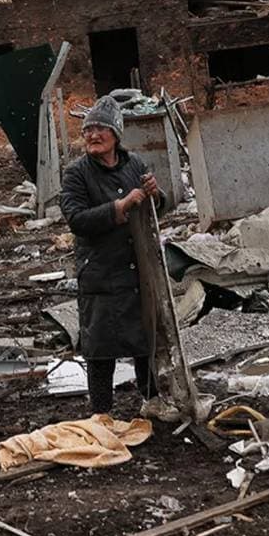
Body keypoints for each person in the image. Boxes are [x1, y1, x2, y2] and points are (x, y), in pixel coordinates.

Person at [59, 94, 173, 416]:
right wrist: (118, 208)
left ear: (116, 134)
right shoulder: (77, 174)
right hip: (100, 271)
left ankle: (151, 400)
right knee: (100, 347)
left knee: (144, 338)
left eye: (101, 129)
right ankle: (102, 413)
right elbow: (77, 220)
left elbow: (156, 210)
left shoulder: (133, 164)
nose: (94, 135)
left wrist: (156, 195)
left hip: (136, 268)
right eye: (88, 130)